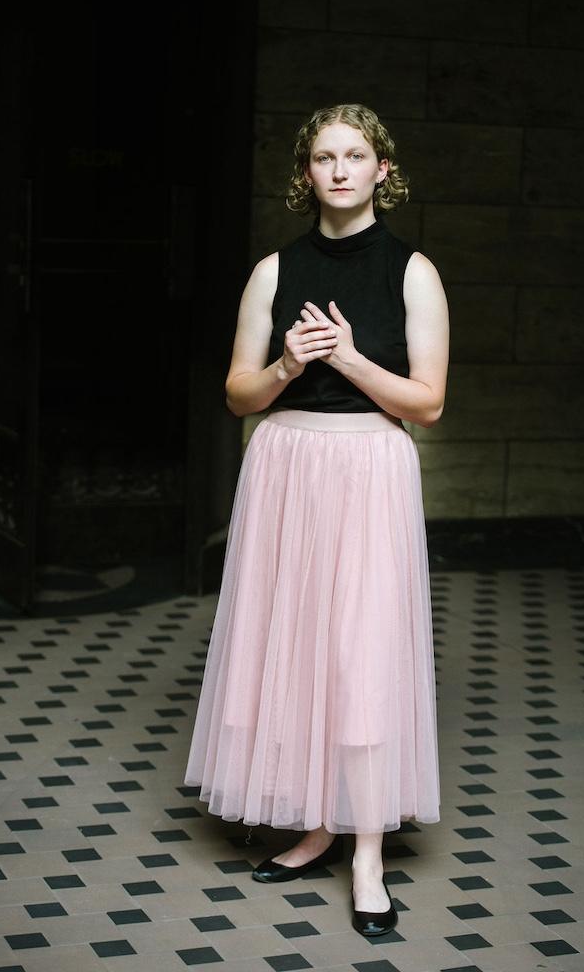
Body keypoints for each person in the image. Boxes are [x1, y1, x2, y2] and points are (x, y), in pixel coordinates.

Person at [184, 102, 449, 937]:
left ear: (381, 170)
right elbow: (238, 395)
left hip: (368, 467)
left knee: (360, 652)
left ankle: (367, 852)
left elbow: (428, 404)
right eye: (324, 157)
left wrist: (351, 359)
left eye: (355, 155)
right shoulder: (272, 271)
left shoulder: (412, 272)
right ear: (306, 172)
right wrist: (285, 365)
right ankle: (317, 825)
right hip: (285, 467)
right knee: (291, 645)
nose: (339, 169)